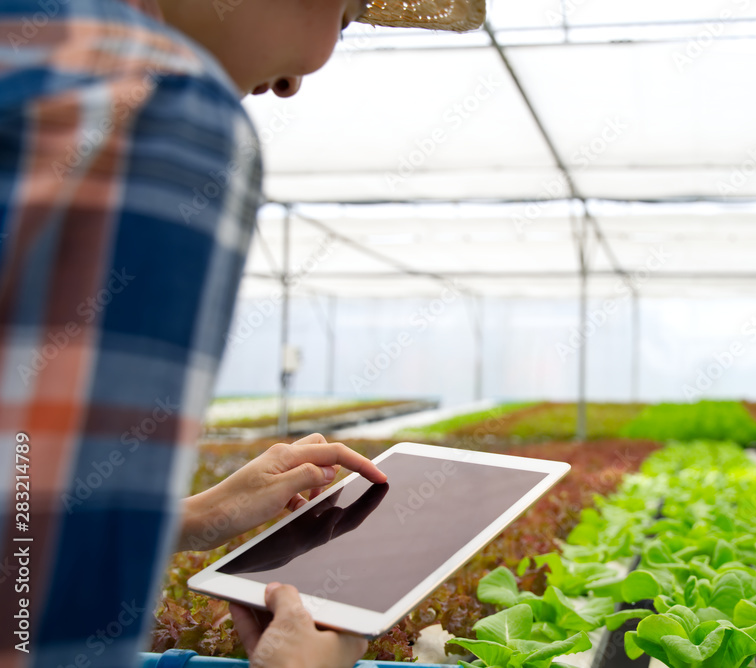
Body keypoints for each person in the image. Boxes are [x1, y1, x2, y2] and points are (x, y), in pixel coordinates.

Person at [0, 0, 483, 667]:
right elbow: (40, 639)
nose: (295, 81)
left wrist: (196, 517)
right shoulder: (153, 110)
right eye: (342, 18)